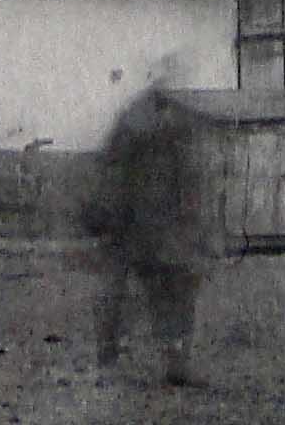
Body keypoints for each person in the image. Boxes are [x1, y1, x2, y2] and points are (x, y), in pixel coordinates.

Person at [83, 68, 212, 386]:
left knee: (168, 290)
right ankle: (114, 360)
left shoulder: (163, 131)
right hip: (135, 227)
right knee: (128, 292)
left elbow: (189, 182)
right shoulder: (143, 129)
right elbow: (113, 174)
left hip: (154, 229)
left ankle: (167, 362)